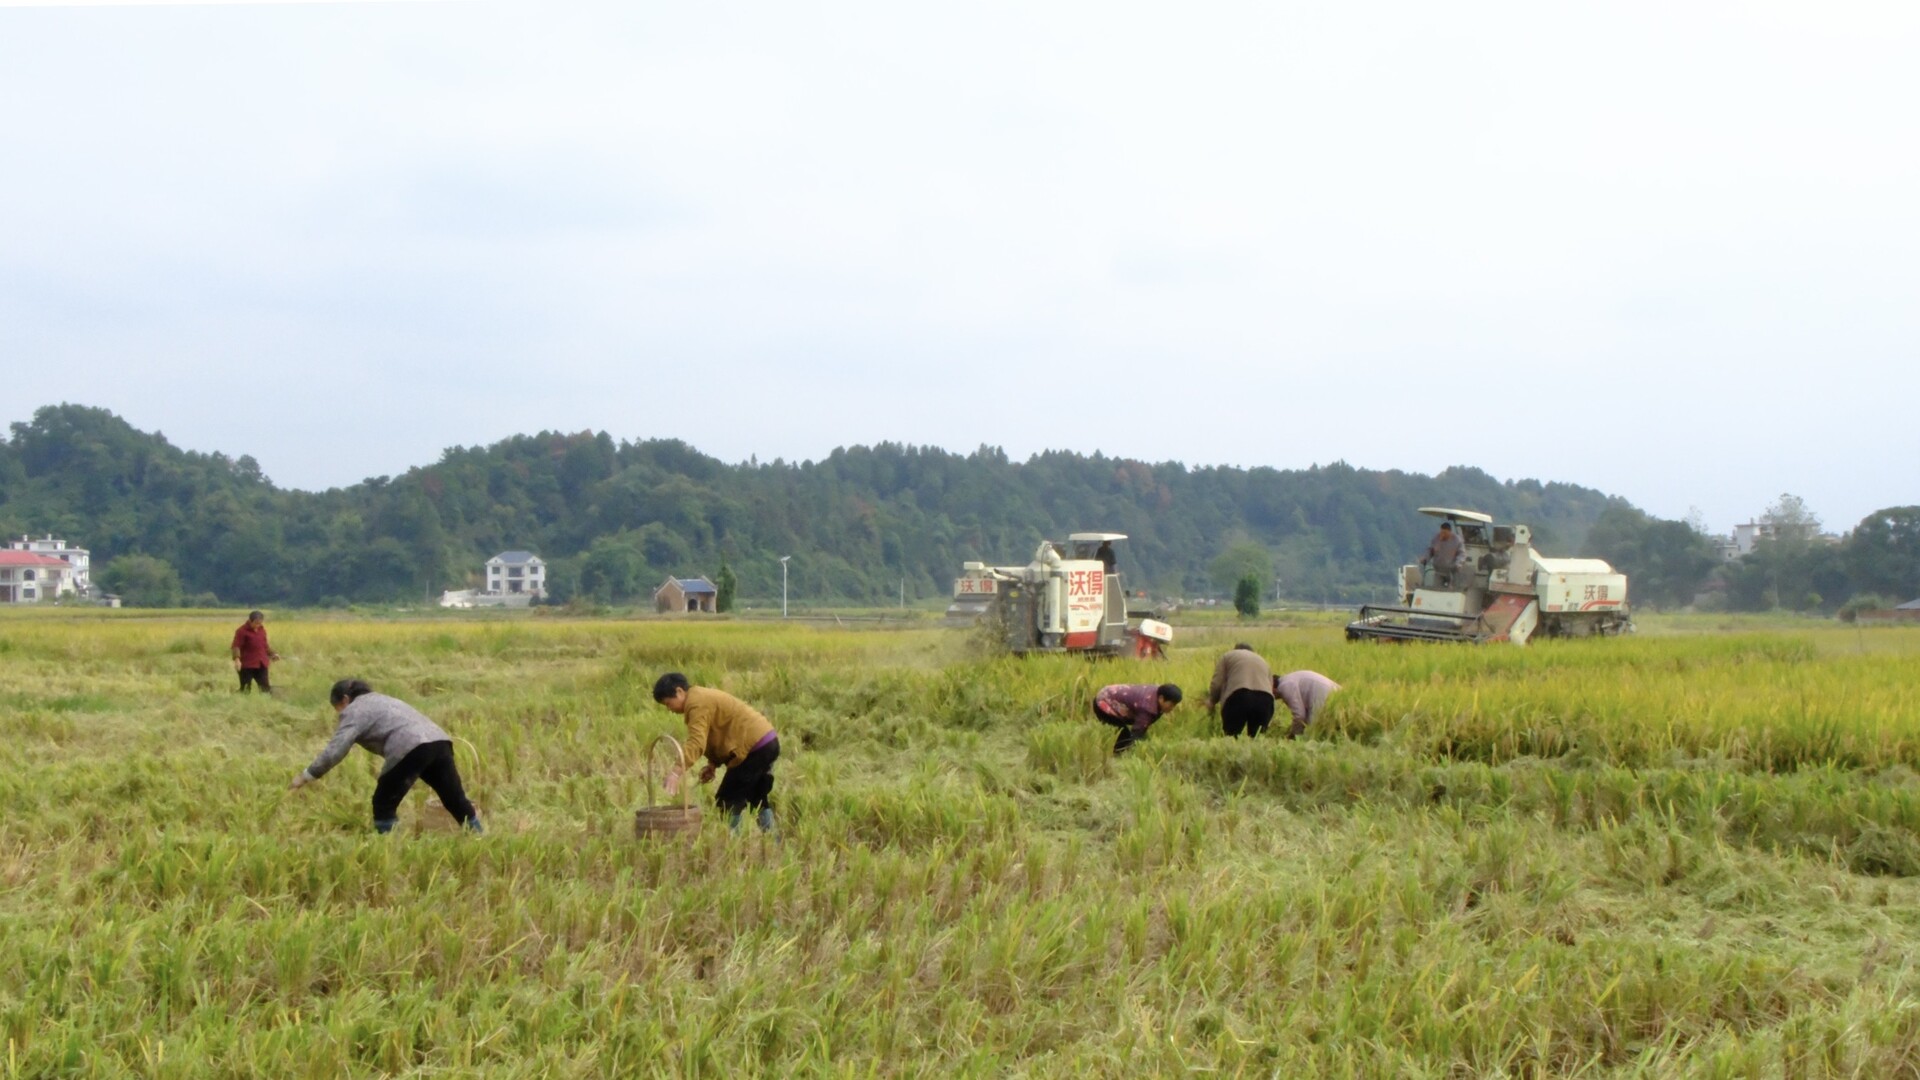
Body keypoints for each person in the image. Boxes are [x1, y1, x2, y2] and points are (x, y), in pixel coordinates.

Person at [289, 679, 483, 834]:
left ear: (345, 699)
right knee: (455, 799)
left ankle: (392, 851)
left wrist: (307, 775)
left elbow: (336, 750)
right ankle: (479, 837)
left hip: (409, 747)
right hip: (440, 742)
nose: (340, 713)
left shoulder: (355, 710)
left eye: (338, 707)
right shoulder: (385, 700)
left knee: (383, 803)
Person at [653, 672, 780, 833]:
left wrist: (676, 772)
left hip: (754, 748)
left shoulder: (696, 703)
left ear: (679, 692)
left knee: (727, 801)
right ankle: (772, 843)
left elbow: (696, 742)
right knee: (757, 798)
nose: (669, 709)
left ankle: (734, 850)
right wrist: (712, 765)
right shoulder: (700, 697)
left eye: (668, 703)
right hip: (767, 742)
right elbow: (720, 732)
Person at [1092, 682, 1183, 755]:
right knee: (1124, 737)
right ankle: (1119, 759)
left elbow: (1144, 726)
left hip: (1110, 695)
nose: (1172, 708)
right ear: (1161, 698)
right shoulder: (1147, 708)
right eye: (1171, 705)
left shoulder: (1158, 695)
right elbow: (1136, 733)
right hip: (1104, 703)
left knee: (1138, 737)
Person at [1208, 643, 1275, 737]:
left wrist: (1212, 700)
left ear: (1235, 650)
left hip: (1239, 696)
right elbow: (1270, 686)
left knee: (1231, 736)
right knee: (1257, 739)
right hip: (1265, 699)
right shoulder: (1263, 661)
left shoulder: (1228, 656)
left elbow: (1217, 682)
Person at [1274, 670, 1342, 739]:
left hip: (1323, 694)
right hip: (1333, 692)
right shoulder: (1287, 680)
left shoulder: (1284, 686)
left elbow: (1299, 716)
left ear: (1272, 688)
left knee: (1312, 734)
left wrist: (1293, 735)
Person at [230, 610, 280, 693]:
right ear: (250, 621)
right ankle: (237, 702)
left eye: (260, 623)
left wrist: (273, 654)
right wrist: (237, 659)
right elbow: (236, 646)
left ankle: (265, 703)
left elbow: (265, 646)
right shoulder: (241, 631)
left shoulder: (262, 631)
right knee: (246, 689)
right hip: (247, 664)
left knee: (265, 688)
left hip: (261, 663)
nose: (258, 625)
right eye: (256, 623)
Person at [1420, 521, 1466, 588]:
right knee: (1436, 589)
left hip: (1452, 571)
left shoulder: (1457, 540)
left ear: (1450, 531)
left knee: (1453, 590)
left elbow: (1462, 554)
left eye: (1445, 532)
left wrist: (1459, 563)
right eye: (1441, 532)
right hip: (1439, 571)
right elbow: (1431, 551)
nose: (1443, 534)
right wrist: (1425, 559)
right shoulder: (1436, 539)